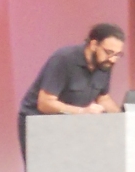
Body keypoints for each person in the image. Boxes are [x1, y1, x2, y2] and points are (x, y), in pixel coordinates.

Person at [17, 22, 125, 162]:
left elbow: (103, 98)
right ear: (94, 45)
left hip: (70, 124)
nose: (113, 59)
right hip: (38, 124)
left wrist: (124, 116)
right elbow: (45, 103)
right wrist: (82, 112)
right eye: (109, 52)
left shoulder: (104, 64)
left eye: (118, 55)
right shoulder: (64, 59)